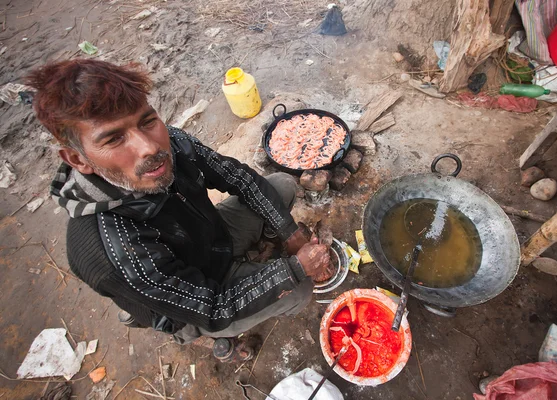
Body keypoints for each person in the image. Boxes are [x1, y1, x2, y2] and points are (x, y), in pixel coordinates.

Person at [26, 59, 330, 360]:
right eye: (114, 138)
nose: (149, 147)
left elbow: (238, 178)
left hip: (213, 239)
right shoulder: (109, 249)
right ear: (78, 160)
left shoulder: (173, 142)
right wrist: (292, 269)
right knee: (300, 290)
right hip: (193, 304)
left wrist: (288, 232)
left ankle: (254, 256)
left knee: (280, 186)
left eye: (147, 121)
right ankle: (214, 337)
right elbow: (211, 307)